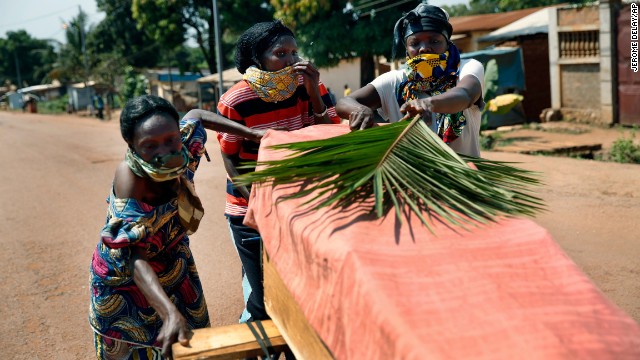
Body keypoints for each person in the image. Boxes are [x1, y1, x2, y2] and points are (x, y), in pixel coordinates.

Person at [89, 95, 265, 359]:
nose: (165, 151)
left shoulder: (184, 147)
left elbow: (197, 114)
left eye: (170, 139)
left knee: (191, 347)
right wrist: (169, 313)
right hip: (128, 284)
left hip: (175, 266)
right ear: (132, 145)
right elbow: (134, 254)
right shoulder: (130, 177)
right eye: (150, 146)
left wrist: (250, 133)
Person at [217, 20, 341, 324]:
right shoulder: (236, 100)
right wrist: (259, 204)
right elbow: (230, 159)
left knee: (300, 292)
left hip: (300, 203)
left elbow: (329, 133)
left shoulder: (308, 86)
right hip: (251, 210)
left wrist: (313, 90)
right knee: (262, 300)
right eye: (281, 53)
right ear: (257, 59)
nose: (292, 60)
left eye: (294, 53)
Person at [336, 4, 484, 157]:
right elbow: (343, 102)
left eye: (434, 41)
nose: (424, 48)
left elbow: (465, 94)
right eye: (415, 43)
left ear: (447, 42)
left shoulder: (467, 68)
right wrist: (360, 110)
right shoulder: (395, 81)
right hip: (410, 180)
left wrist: (429, 104)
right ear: (406, 48)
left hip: (462, 177)